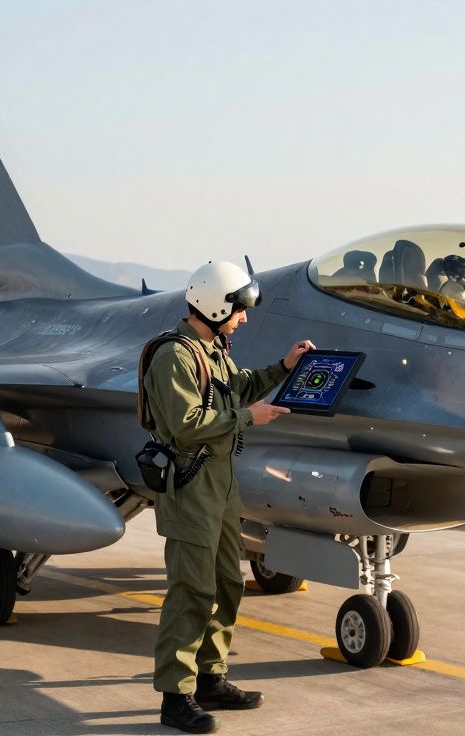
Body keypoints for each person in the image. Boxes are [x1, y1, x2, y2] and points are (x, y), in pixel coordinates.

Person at [140, 260, 314, 734]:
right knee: (190, 592)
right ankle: (176, 697)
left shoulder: (212, 349)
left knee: (226, 585)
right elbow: (186, 424)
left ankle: (211, 678)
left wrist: (285, 367)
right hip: (191, 485)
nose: (244, 317)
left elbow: (234, 389)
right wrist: (248, 419)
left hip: (220, 485)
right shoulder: (174, 356)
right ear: (217, 305)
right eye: (240, 309)